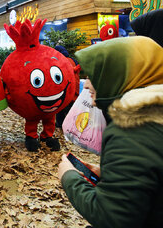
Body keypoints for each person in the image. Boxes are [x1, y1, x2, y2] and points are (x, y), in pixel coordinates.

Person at [58, 36, 163, 228]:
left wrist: (69, 177)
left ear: (117, 76)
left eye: (94, 76)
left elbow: (112, 218)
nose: (86, 85)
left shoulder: (132, 128)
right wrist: (111, 175)